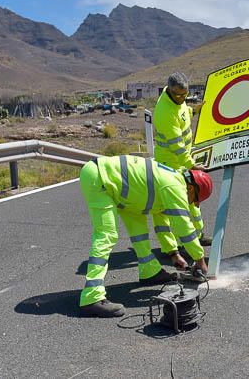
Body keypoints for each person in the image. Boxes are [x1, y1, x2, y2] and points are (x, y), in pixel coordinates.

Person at [78, 154, 212, 318]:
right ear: (191, 188)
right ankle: (91, 296)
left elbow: (162, 222)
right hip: (100, 178)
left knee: (139, 232)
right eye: (195, 200)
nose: (194, 204)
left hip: (127, 196)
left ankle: (150, 271)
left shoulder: (171, 181)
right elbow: (183, 226)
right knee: (106, 234)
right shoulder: (174, 186)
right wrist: (199, 259)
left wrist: (173, 253)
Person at [153, 72, 212, 248]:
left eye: (184, 95)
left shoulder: (178, 98)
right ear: (170, 91)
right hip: (170, 164)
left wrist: (194, 110)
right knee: (177, 205)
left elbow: (183, 112)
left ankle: (198, 235)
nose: (181, 98)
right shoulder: (164, 112)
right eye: (178, 95)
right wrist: (192, 165)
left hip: (182, 162)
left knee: (193, 199)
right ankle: (180, 245)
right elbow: (176, 145)